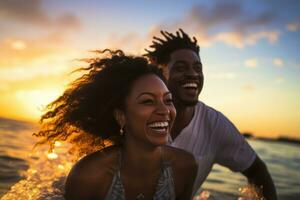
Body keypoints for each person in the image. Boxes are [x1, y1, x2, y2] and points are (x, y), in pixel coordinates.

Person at [35, 49, 198, 200]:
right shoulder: (88, 175)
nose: (165, 110)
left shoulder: (185, 166)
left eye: (168, 100)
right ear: (121, 116)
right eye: (148, 101)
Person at [145, 29, 277, 199]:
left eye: (197, 68)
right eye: (180, 67)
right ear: (159, 72)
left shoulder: (214, 125)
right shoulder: (136, 114)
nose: (193, 74)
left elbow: (257, 171)